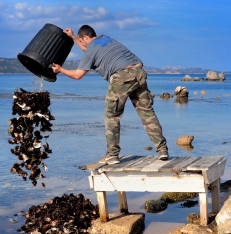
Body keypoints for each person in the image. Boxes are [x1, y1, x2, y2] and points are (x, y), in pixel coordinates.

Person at [52, 25, 168, 164]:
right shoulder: (106, 39)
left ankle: (112, 155)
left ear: (86, 37)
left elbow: (78, 75)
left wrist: (61, 70)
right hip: (139, 71)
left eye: (81, 41)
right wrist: (73, 37)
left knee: (112, 116)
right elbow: (86, 48)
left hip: (122, 76)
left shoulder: (90, 49)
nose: (82, 46)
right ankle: (162, 149)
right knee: (147, 113)